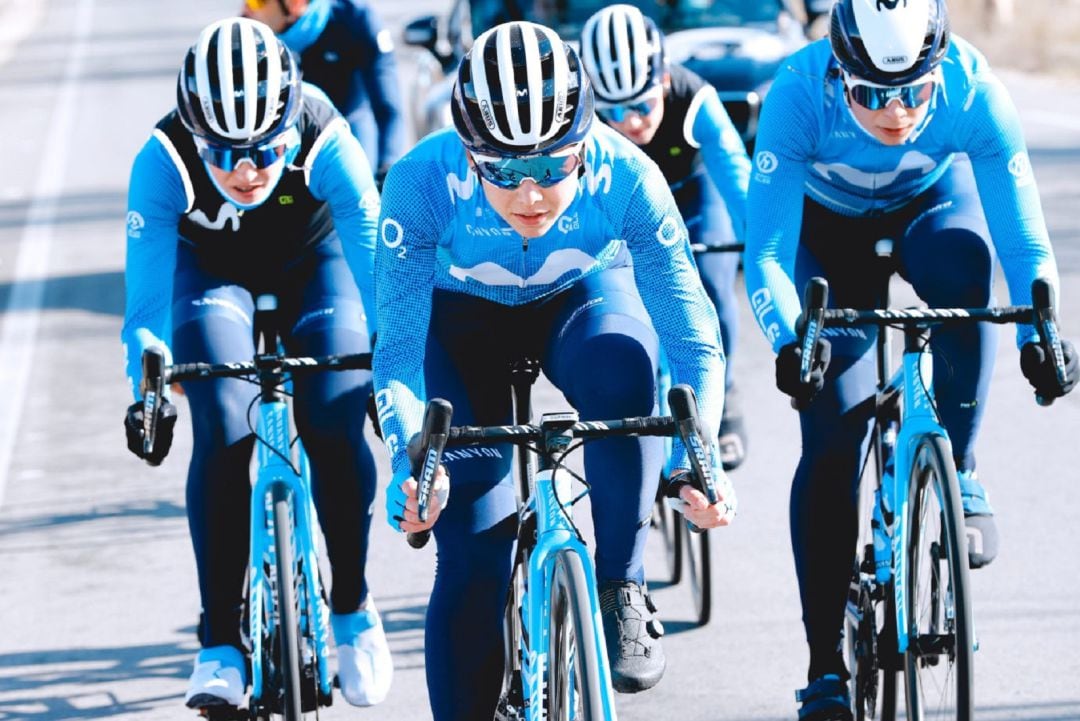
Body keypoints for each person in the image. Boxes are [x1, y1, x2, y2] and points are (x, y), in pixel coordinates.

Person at [372, 20, 737, 721]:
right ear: (469, 154)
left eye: (553, 165)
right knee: (474, 560)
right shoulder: (420, 182)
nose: (532, 193)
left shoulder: (627, 174)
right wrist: (409, 457)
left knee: (625, 367)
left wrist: (702, 454)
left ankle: (621, 586)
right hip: (461, 325)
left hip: (580, 304)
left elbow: (693, 340)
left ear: (585, 144)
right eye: (505, 170)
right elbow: (395, 356)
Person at [742, 0, 1079, 718]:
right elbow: (767, 253)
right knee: (833, 434)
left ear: (938, 69)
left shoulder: (973, 86)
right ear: (839, 72)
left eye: (913, 91)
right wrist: (788, 338)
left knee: (967, 263)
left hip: (929, 210)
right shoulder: (797, 92)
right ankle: (824, 666)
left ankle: (958, 463)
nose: (894, 112)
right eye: (870, 93)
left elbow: (1024, 244)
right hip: (825, 237)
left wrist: (1038, 335)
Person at [120, 17, 393, 710]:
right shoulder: (162, 159)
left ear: (291, 126)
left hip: (317, 265)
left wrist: (393, 379)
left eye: (267, 151)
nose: (247, 171)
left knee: (334, 419)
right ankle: (218, 642)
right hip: (213, 276)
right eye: (225, 153)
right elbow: (147, 307)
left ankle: (354, 610)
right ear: (193, 133)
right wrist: (148, 387)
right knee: (221, 426)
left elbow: (383, 288)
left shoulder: (330, 138)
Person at [579, 3, 753, 470]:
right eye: (613, 110)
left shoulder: (695, 98)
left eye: (641, 105)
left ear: (664, 80)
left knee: (713, 283)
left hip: (694, 198)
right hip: (626, 210)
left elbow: (738, 178)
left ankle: (725, 384)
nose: (631, 122)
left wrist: (761, 238)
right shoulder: (582, 122)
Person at [241, 0, 407, 187]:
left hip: (351, 123)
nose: (246, 7)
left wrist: (388, 170)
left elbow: (389, 109)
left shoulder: (355, 19)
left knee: (359, 181)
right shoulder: (248, 30)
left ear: (295, 4)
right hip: (286, 139)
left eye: (257, 2)